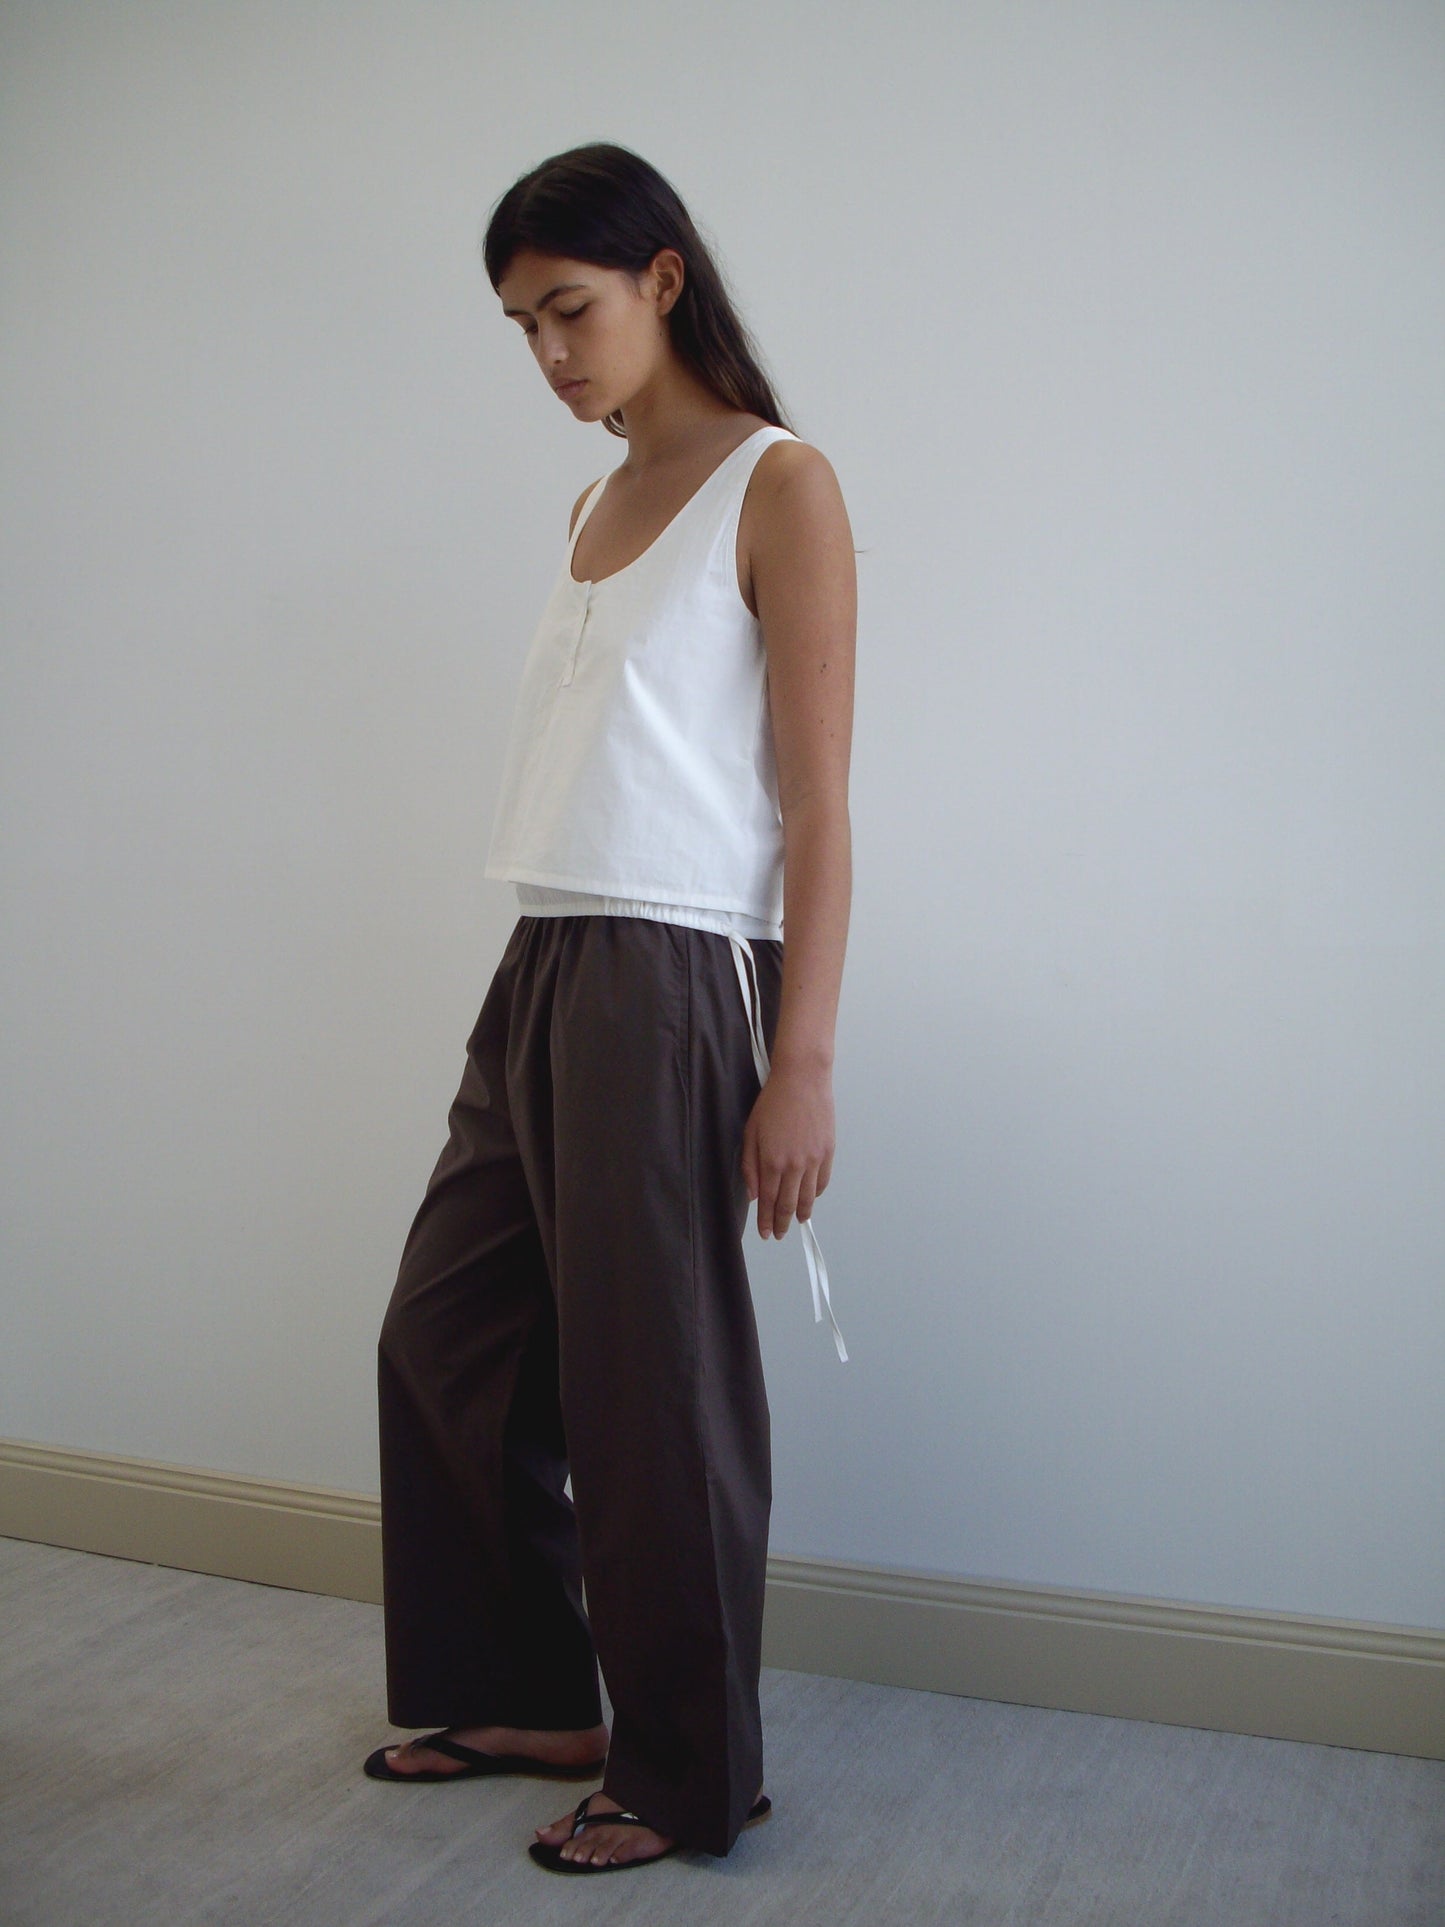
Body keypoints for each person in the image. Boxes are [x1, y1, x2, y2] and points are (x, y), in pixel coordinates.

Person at [362, 141, 855, 1875]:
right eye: (520, 327)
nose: (550, 354)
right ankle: (535, 1692)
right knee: (449, 1336)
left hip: (673, 972)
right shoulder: (584, 506)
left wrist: (798, 1063)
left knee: (655, 1394)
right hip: (549, 956)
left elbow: (818, 806)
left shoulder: (778, 486)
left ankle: (686, 1766)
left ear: (660, 277)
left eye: (567, 308)